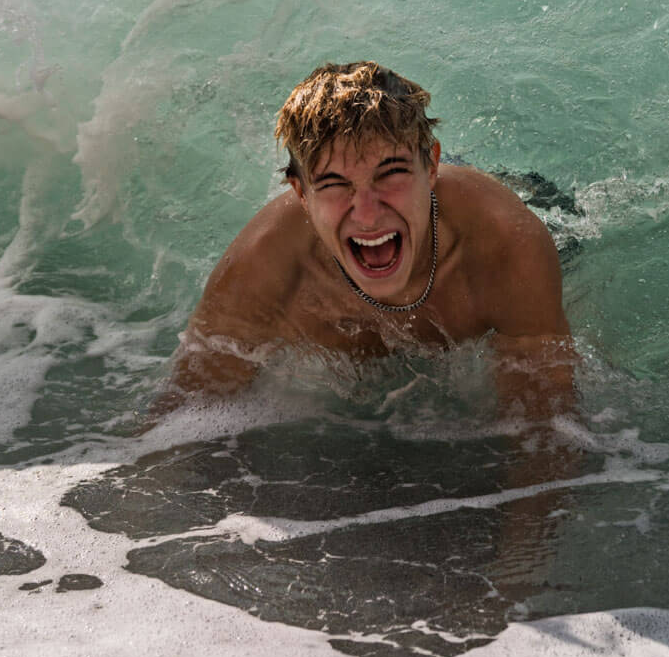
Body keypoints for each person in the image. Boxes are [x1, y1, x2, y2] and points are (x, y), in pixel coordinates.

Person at [151, 61, 575, 420]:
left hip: (498, 203)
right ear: (300, 193)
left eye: (390, 173)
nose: (368, 214)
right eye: (334, 183)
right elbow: (179, 419)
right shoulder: (262, 267)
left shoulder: (504, 242)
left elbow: (546, 429)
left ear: (432, 167)